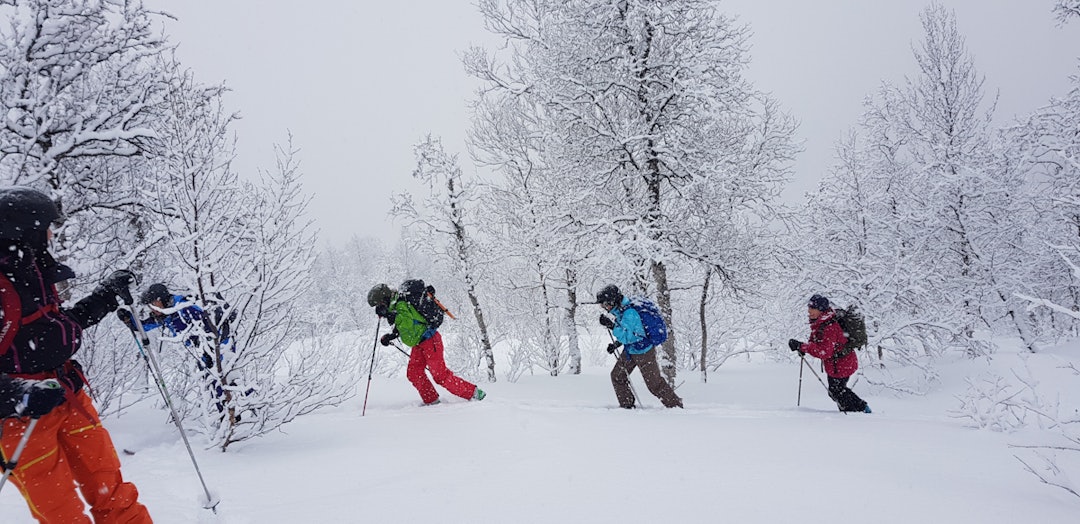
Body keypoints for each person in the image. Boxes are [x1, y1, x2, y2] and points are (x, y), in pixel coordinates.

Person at [0, 186, 152, 522]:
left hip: (68, 395)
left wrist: (104, 298)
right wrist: (18, 395)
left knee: (114, 495)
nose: (51, 235)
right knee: (62, 516)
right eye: (46, 229)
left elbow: (54, 330)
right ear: (25, 233)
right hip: (20, 421)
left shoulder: (35, 273)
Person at [120, 283, 243, 417]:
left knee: (220, 378)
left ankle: (235, 414)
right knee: (213, 381)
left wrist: (210, 350)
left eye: (152, 304)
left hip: (220, 343)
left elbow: (210, 324)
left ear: (160, 300)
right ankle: (231, 415)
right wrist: (129, 320)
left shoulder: (185, 306)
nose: (151, 308)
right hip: (203, 350)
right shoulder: (166, 314)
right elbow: (144, 327)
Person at [367, 281, 485, 406]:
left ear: (385, 299)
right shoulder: (397, 306)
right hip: (419, 343)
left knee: (440, 376)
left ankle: (475, 393)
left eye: (379, 304)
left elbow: (406, 323)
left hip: (430, 340)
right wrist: (392, 335)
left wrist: (389, 315)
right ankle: (432, 401)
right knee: (414, 373)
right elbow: (410, 325)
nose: (379, 308)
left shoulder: (401, 304)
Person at [596, 285, 683, 409]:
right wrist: (616, 344)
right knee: (617, 376)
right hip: (631, 350)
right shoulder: (621, 310)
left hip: (644, 352)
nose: (605, 308)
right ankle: (627, 407)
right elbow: (632, 332)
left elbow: (630, 336)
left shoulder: (630, 313)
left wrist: (612, 326)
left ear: (612, 300)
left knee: (654, 384)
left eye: (605, 304)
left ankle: (676, 406)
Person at [789, 294, 871, 413]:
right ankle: (855, 412)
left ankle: (861, 410)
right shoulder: (820, 323)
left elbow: (824, 352)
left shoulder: (830, 326)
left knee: (837, 391)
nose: (809, 311)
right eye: (809, 307)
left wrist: (802, 346)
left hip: (842, 364)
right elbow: (816, 343)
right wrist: (803, 347)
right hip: (836, 364)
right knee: (836, 392)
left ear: (821, 310)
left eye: (812, 308)